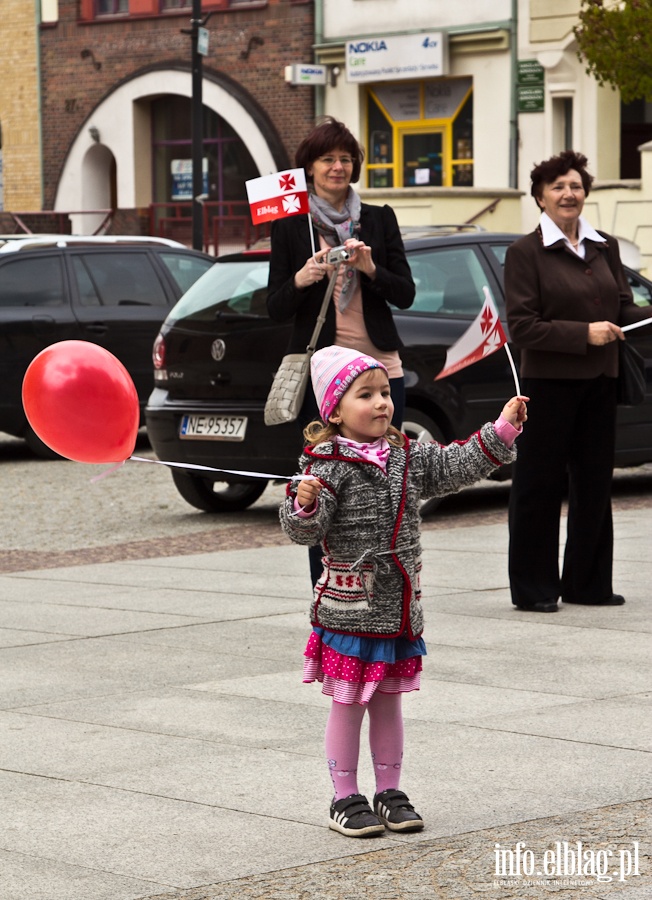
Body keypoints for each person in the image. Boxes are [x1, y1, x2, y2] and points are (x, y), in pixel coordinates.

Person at [279, 345, 527, 838]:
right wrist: (303, 504)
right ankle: (344, 796)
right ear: (333, 409)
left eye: (385, 393)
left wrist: (501, 431)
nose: (380, 403)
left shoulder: (407, 455)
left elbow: (457, 465)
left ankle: (389, 791)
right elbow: (302, 531)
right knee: (348, 703)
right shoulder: (324, 465)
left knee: (389, 701)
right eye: (364, 395)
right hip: (351, 611)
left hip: (397, 612)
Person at [267, 117, 415, 584]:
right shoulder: (293, 227)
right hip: (323, 377)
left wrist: (371, 269)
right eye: (327, 159)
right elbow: (273, 306)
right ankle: (329, 594)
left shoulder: (378, 218)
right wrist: (302, 278)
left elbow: (406, 293)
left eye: (346, 159)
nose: (337, 167)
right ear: (308, 168)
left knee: (387, 486)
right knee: (326, 486)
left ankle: (384, 591)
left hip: (379, 368)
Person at [504, 150, 652, 613]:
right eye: (558, 187)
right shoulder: (524, 252)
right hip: (547, 383)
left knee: (593, 483)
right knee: (538, 485)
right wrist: (584, 333)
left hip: (599, 381)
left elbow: (623, 308)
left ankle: (588, 584)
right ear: (540, 198)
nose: (569, 194)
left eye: (576, 186)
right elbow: (523, 326)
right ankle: (534, 588)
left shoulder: (603, 244)